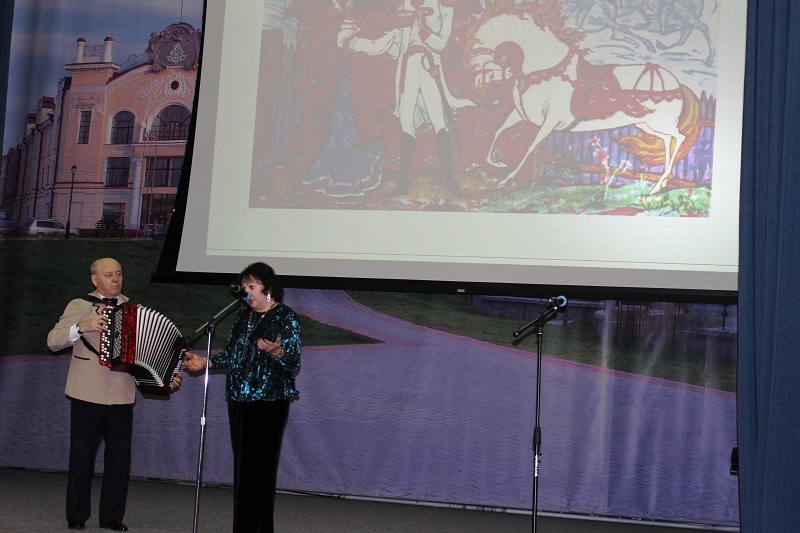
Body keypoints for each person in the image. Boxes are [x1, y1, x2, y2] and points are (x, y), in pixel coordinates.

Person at [46, 257, 181, 531]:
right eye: (109, 275)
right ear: (94, 279)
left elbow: (146, 352)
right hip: (86, 393)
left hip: (121, 395)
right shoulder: (80, 305)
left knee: (119, 459)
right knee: (81, 456)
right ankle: (77, 514)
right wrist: (81, 327)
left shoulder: (134, 309)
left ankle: (112, 517)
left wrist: (166, 375)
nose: (116, 279)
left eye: (118, 273)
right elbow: (53, 341)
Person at [183, 262, 301, 533]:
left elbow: (294, 362)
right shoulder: (243, 316)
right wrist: (206, 362)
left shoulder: (286, 317)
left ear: (268, 289)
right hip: (238, 399)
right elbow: (232, 355)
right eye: (244, 286)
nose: (246, 291)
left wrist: (277, 353)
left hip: (269, 402)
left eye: (252, 286)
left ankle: (259, 528)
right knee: (244, 469)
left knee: (261, 469)